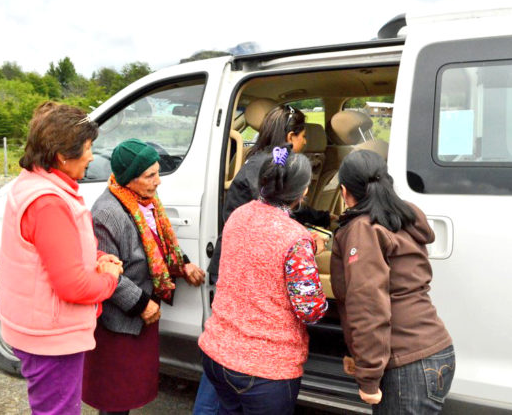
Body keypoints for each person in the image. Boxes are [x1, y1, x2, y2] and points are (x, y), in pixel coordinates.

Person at [194, 104, 332, 414]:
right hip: (265, 372)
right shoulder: (294, 238)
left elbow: (262, 240)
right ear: (302, 192)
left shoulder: (242, 215)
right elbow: (310, 310)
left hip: (219, 354)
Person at [0, 101, 123, 415]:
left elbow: (56, 251)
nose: (92, 156)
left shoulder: (34, 183)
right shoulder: (49, 202)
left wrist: (98, 256)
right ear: (62, 155)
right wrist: (110, 277)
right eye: (88, 148)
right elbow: (73, 286)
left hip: (38, 326)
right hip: (50, 336)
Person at [82, 138, 206, 415]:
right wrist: (141, 304)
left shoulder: (145, 200)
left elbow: (158, 242)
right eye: (150, 175)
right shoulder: (106, 213)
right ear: (129, 178)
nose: (158, 181)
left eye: (157, 172)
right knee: (115, 394)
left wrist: (182, 265)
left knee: (131, 389)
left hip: (143, 314)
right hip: (121, 320)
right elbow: (107, 273)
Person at [330, 150, 455, 414]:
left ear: (344, 191)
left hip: (407, 365)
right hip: (436, 350)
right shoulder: (400, 218)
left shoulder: (364, 229)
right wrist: (358, 356)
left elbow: (368, 307)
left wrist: (369, 377)